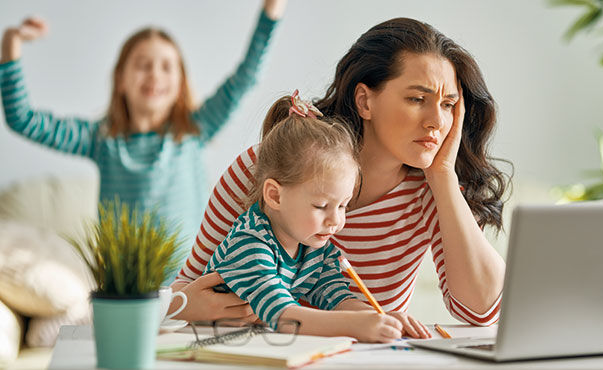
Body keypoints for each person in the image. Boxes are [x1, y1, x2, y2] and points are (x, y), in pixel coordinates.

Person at [171, 17, 509, 332]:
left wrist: (444, 176)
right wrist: (185, 307)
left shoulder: (430, 190)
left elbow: (481, 312)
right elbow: (185, 289)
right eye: (417, 98)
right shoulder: (263, 169)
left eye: (448, 105)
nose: (436, 120)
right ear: (365, 101)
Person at [0, 0, 286, 282]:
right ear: (121, 80)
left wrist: (271, 11)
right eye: (142, 65)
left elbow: (246, 77)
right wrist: (11, 43)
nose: (154, 74)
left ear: (180, 83)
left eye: (166, 66)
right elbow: (23, 119)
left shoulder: (194, 130)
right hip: (126, 288)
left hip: (192, 284)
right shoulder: (102, 140)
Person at [203, 91, 416, 342]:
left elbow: (337, 298)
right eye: (321, 205)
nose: (335, 221)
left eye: (343, 206)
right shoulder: (249, 244)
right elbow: (283, 316)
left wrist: (378, 317)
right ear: (275, 196)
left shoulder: (312, 244)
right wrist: (354, 325)